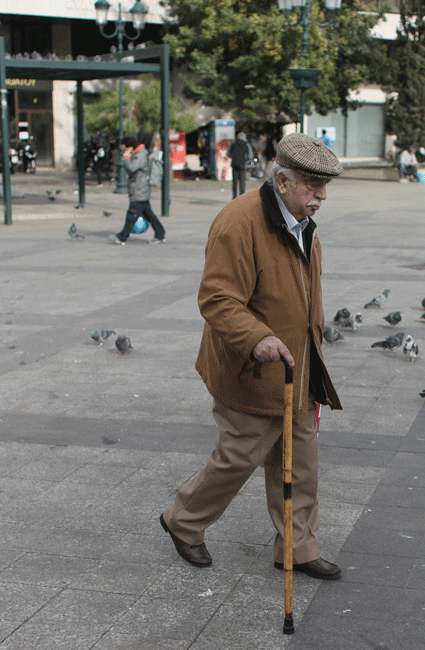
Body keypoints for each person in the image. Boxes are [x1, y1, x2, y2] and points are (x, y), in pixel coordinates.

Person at [161, 132, 345, 581]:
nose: (321, 196)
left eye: (324, 186)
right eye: (311, 186)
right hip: (251, 367)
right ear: (282, 181)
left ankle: (298, 547)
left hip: (297, 372)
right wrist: (257, 337)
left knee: (300, 463)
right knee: (237, 457)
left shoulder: (303, 222)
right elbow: (218, 298)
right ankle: (183, 521)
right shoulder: (238, 222)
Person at [109, 135, 165, 244]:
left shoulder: (140, 155)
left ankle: (122, 237)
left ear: (130, 147)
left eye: (125, 147)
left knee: (132, 215)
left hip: (139, 189)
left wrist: (126, 157)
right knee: (149, 215)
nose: (124, 150)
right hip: (140, 190)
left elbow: (132, 167)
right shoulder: (139, 154)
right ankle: (160, 234)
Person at [227, 132, 254, 197]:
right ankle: (242, 197)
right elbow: (250, 156)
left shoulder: (233, 144)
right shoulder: (247, 144)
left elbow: (228, 153)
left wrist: (233, 157)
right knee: (242, 183)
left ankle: (234, 197)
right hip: (243, 165)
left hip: (234, 165)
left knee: (235, 183)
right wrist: (246, 160)